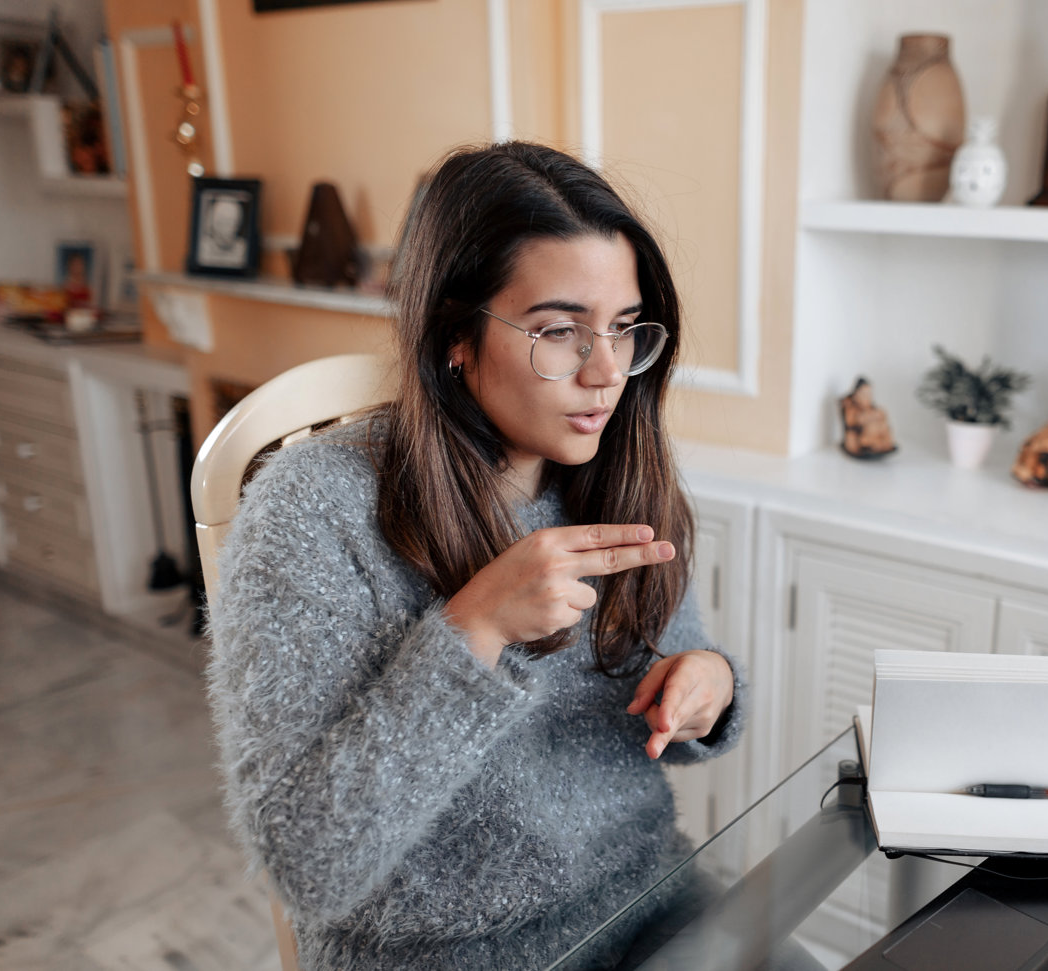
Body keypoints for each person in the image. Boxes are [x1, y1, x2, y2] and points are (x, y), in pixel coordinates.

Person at [206, 142, 745, 969]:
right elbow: (308, 861)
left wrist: (709, 683)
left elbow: (685, 666)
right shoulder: (313, 510)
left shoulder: (621, 470)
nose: (608, 373)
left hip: (651, 908)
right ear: (455, 335)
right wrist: (474, 629)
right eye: (559, 331)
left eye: (623, 327)